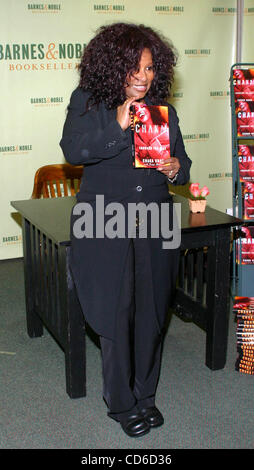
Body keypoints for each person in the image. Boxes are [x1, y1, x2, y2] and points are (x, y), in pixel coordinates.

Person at [60, 22, 192, 438]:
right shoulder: (89, 101)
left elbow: (183, 164)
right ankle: (120, 404)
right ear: (112, 66)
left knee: (152, 314)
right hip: (105, 223)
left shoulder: (162, 111)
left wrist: (175, 168)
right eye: (134, 66)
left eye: (150, 67)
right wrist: (116, 126)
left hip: (156, 222)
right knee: (115, 314)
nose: (143, 75)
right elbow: (73, 151)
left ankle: (145, 397)